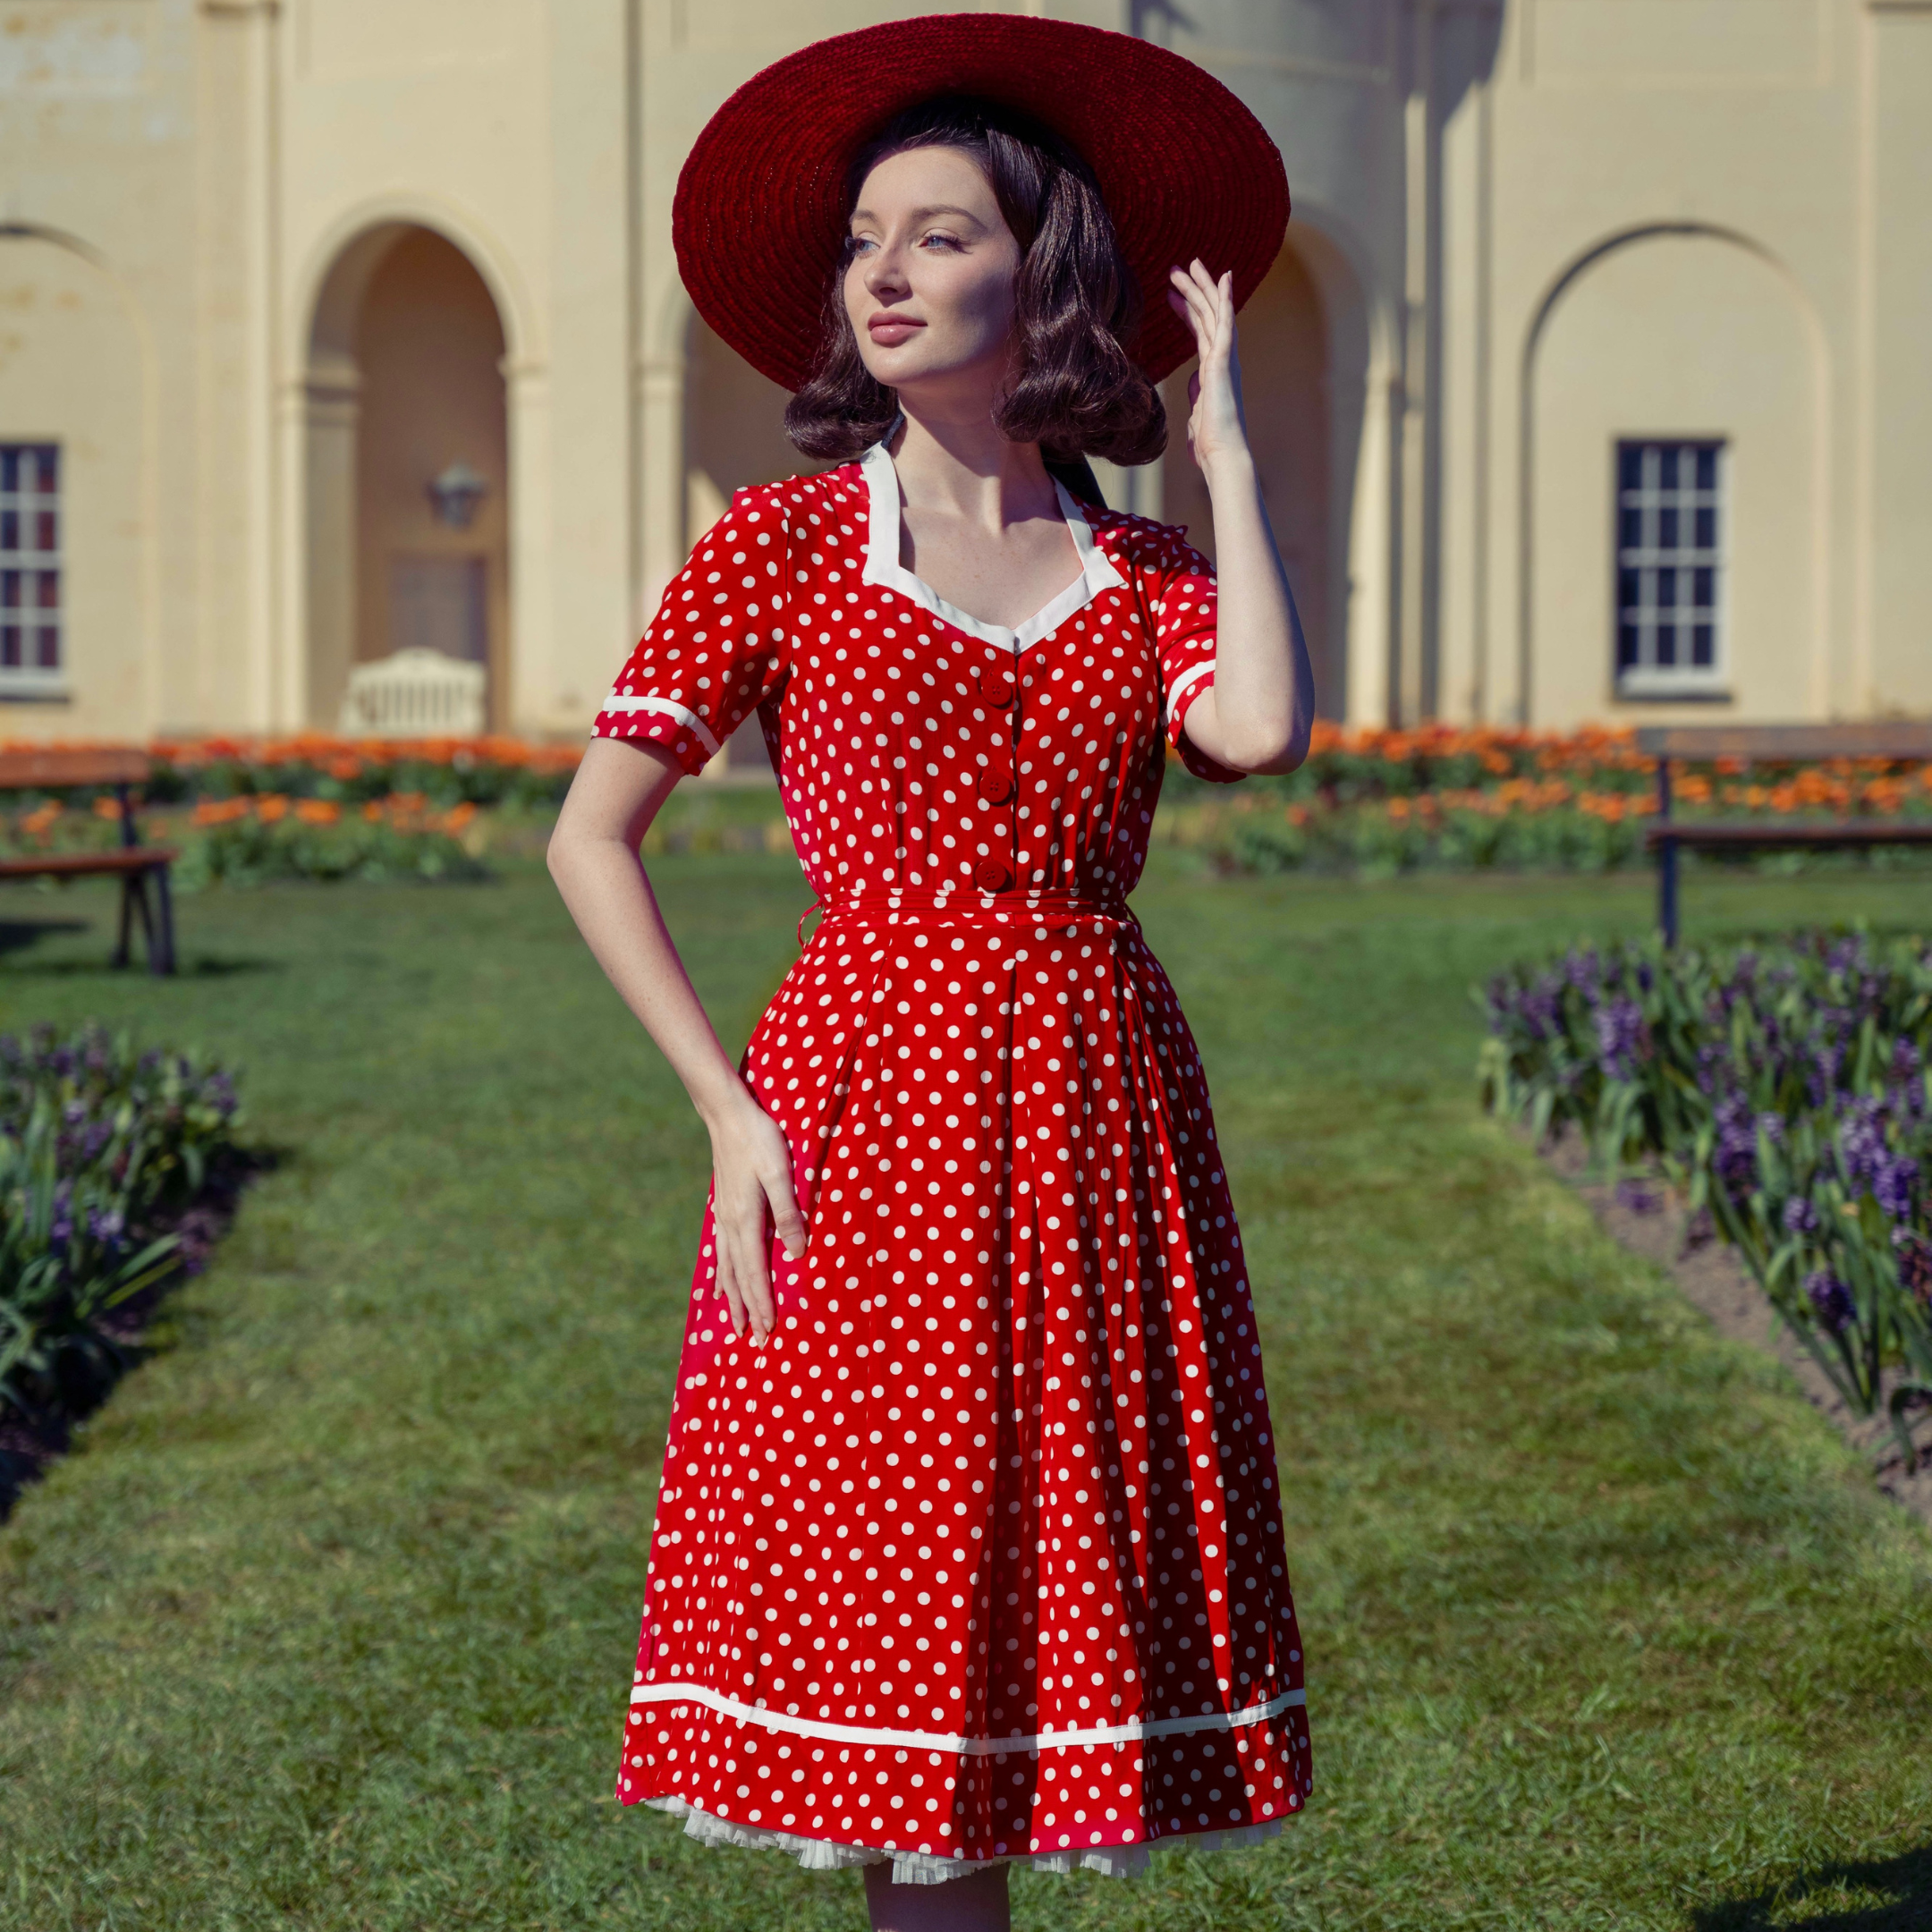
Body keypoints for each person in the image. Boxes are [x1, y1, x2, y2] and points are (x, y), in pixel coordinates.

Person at [547, 17, 1317, 1930]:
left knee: (1037, 1611)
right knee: (900, 1649)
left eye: (939, 233)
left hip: (1091, 1113)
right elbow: (589, 835)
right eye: (865, 239)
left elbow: (1269, 731)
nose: (882, 271)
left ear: (1037, 273)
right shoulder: (786, 547)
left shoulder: (1139, 577)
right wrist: (727, 1110)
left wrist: (1224, 453)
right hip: (863, 1114)